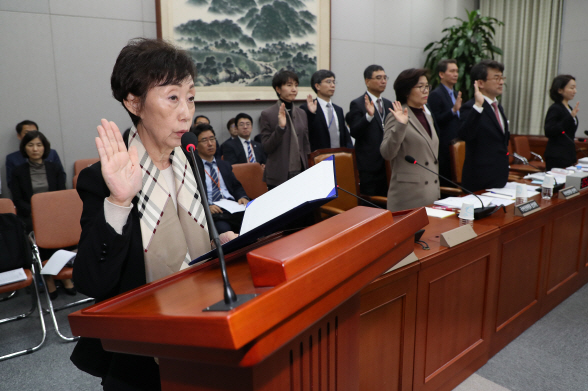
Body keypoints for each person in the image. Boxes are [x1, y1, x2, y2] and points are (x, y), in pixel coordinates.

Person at [70, 38, 235, 391]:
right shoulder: (99, 178)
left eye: (190, 97)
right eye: (172, 97)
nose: (186, 111)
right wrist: (118, 201)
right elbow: (91, 282)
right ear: (134, 101)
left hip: (211, 327)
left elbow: (196, 233)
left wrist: (219, 240)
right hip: (141, 354)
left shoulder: (189, 157)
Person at [9, 130, 74, 299]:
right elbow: (18, 199)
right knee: (40, 232)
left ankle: (62, 276)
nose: (35, 149)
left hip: (55, 213)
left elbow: (61, 193)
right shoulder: (18, 171)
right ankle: (50, 278)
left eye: (39, 145)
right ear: (25, 148)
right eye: (30, 145)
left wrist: (50, 213)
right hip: (31, 215)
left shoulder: (54, 168)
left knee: (61, 228)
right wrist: (38, 213)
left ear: (45, 148)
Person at [380, 69, 440, 212]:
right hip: (408, 197)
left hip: (431, 194)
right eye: (420, 87)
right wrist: (401, 125)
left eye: (427, 86)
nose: (426, 91)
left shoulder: (427, 116)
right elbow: (386, 153)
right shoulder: (397, 115)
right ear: (407, 91)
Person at [458, 60, 510, 192]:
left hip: (499, 178)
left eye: (502, 77)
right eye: (496, 78)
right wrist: (478, 106)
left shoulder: (498, 107)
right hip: (479, 181)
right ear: (480, 83)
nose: (501, 82)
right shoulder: (471, 107)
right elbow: (465, 134)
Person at [345, 65, 393, 197]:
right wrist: (369, 116)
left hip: (388, 164)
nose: (383, 81)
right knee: (371, 205)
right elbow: (354, 131)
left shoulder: (389, 104)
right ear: (367, 81)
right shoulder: (358, 103)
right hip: (369, 166)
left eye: (385, 78)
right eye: (378, 78)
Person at [259, 70, 310, 190]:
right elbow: (267, 147)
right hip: (279, 175)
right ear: (278, 89)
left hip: (301, 173)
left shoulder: (302, 113)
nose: (294, 89)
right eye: (289, 85)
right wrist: (280, 128)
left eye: (296, 85)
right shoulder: (268, 114)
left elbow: (306, 144)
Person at [194, 124, 249, 233]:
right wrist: (206, 207)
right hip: (214, 212)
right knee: (224, 230)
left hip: (233, 208)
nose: (210, 144)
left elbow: (236, 186)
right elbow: (191, 196)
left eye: (212, 139)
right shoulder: (193, 168)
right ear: (196, 145)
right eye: (204, 140)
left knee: (255, 222)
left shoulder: (224, 165)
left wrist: (242, 197)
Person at [427, 59, 462, 185]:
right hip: (444, 148)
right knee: (447, 181)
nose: (456, 74)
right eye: (452, 71)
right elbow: (435, 120)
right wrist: (453, 110)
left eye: (457, 71)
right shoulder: (436, 94)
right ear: (441, 74)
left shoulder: (456, 94)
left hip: (457, 145)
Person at [300, 69, 353, 151]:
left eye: (334, 82)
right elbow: (306, 134)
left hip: (340, 157)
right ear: (317, 86)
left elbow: (345, 136)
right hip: (319, 158)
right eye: (328, 82)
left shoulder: (338, 110)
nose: (333, 85)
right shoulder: (307, 108)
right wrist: (312, 114)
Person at [6, 120, 64, 189]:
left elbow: (61, 178)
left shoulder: (52, 154)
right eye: (27, 133)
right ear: (19, 136)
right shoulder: (12, 159)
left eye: (34, 132)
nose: (35, 149)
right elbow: (12, 185)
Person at [544, 75, 580, 171]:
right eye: (571, 88)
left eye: (575, 88)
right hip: (557, 156)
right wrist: (570, 117)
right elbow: (549, 131)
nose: (575, 91)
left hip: (568, 155)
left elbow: (569, 134)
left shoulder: (569, 108)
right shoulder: (555, 108)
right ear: (560, 90)